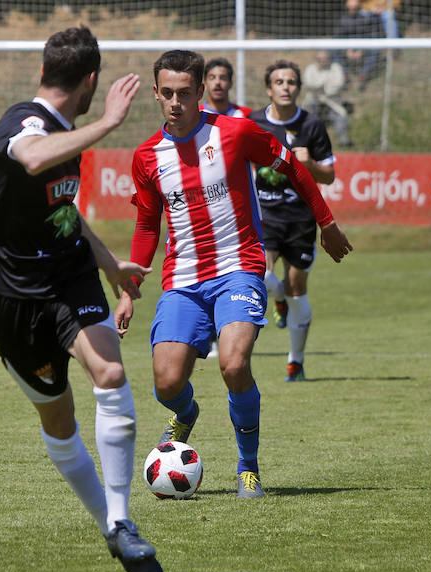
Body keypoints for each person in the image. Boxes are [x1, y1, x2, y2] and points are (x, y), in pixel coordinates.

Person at [0, 26, 163, 572]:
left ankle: (124, 521)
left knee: (111, 372)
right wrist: (107, 125)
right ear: (91, 80)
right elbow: (29, 158)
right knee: (59, 418)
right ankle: (110, 527)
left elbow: (64, 210)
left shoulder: (64, 130)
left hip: (70, 276)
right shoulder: (25, 123)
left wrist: (109, 265)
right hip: (14, 298)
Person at [115, 50, 351, 499]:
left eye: (185, 93)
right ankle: (185, 413)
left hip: (239, 268)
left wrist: (327, 223)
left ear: (200, 92)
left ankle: (248, 467)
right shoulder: (147, 157)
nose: (176, 102)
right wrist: (130, 290)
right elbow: (147, 226)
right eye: (167, 93)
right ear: (156, 94)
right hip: (183, 279)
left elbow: (295, 168)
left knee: (234, 363)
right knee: (167, 382)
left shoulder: (236, 132)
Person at [250, 59, 339, 383]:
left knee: (297, 287)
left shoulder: (313, 125)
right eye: (279, 82)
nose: (285, 87)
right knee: (260, 274)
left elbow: (328, 176)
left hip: (301, 220)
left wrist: (310, 164)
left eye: (291, 82)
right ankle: (278, 300)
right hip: (265, 216)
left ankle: (296, 361)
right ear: (268, 88)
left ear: (298, 88)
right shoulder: (253, 123)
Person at [199, 56, 252, 357]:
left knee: (234, 269)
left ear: (231, 82)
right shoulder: (194, 116)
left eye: (223, 77)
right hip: (202, 207)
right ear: (205, 83)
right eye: (213, 77)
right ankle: (203, 334)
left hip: (237, 208)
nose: (218, 82)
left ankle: (227, 332)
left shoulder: (244, 116)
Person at [303, 50, 353, 147]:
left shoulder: (336, 68)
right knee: (308, 111)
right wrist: (323, 84)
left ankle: (343, 140)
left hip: (332, 101)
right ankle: (309, 138)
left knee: (341, 114)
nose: (322, 61)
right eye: (319, 59)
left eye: (325, 59)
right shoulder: (310, 69)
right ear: (316, 59)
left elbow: (338, 84)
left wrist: (322, 88)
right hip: (314, 100)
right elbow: (309, 84)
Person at [334, 0, 386, 91]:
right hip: (347, 50)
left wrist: (362, 50)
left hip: (363, 49)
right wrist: (346, 50)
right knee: (332, 51)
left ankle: (363, 76)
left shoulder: (365, 20)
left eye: (355, 8)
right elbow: (337, 39)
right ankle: (344, 75)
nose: (353, 10)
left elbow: (370, 37)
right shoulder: (342, 21)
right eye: (351, 8)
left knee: (375, 50)